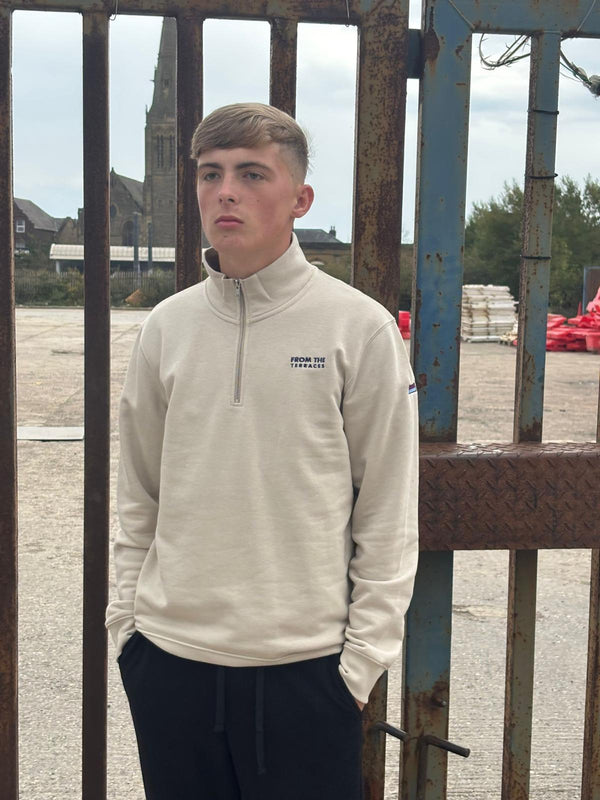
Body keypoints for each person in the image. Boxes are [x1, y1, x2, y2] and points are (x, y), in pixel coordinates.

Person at [106, 102, 419, 800]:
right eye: (211, 173)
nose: (226, 190)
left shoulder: (358, 329)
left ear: (300, 198)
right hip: (170, 662)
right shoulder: (167, 327)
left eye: (252, 174)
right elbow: (139, 496)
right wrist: (129, 632)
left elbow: (388, 513)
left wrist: (359, 666)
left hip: (305, 674)